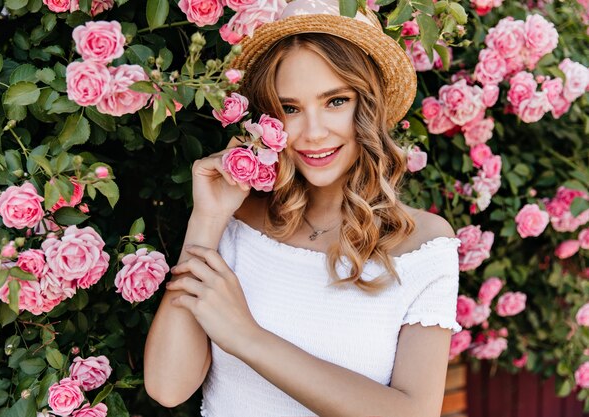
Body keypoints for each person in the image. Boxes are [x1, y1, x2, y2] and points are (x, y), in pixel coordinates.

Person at [144, 0, 462, 415]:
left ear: (367, 106)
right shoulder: (237, 222)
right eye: (290, 108)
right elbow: (168, 387)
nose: (313, 132)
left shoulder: (423, 246)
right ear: (268, 120)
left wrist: (247, 336)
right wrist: (208, 219)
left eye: (335, 101)